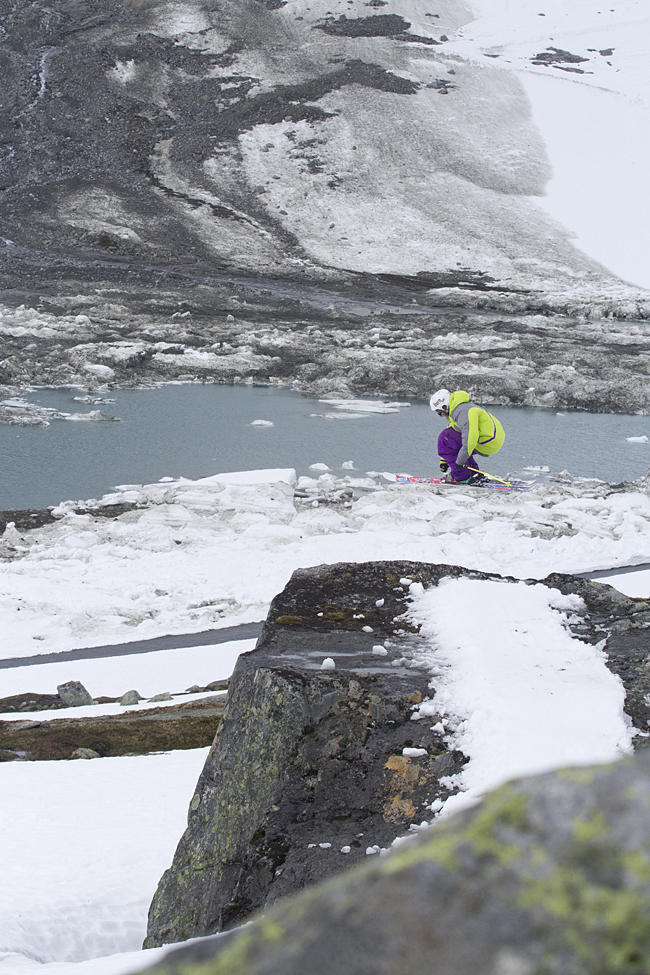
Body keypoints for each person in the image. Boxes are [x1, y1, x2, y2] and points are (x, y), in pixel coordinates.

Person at [430, 389, 505, 483]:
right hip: (491, 439)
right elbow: (452, 432)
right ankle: (473, 473)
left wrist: (459, 463)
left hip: (488, 441)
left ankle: (462, 477)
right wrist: (444, 460)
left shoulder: (463, 412)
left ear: (444, 406)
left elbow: (470, 438)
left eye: (439, 412)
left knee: (444, 437)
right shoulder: (460, 408)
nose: (441, 414)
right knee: (449, 437)